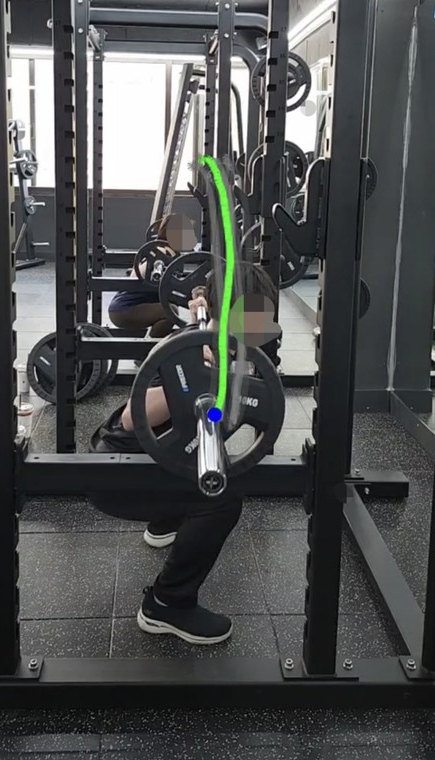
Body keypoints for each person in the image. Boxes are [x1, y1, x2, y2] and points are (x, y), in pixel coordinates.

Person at [91, 261, 278, 645]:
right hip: (117, 476)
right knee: (223, 499)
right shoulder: (195, 354)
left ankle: (166, 521)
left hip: (149, 459)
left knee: (209, 453)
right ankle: (166, 604)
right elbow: (131, 418)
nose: (263, 329)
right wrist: (198, 382)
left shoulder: (221, 342)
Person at [107, 216, 177, 339]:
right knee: (170, 311)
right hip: (124, 310)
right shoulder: (161, 254)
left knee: (171, 307)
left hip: (122, 308)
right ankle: (149, 348)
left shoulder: (158, 250)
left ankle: (149, 344)